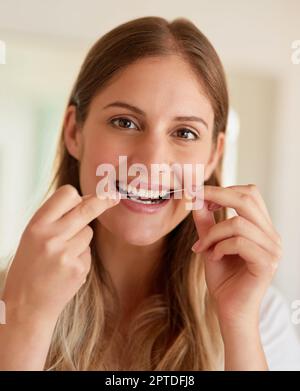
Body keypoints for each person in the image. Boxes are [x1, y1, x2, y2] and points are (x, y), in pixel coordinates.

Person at [0, 16, 299, 371]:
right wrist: (26, 320)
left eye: (185, 133)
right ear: (73, 132)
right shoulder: (10, 304)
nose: (152, 159)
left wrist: (238, 325)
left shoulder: (260, 317)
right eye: (125, 122)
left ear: (213, 156)